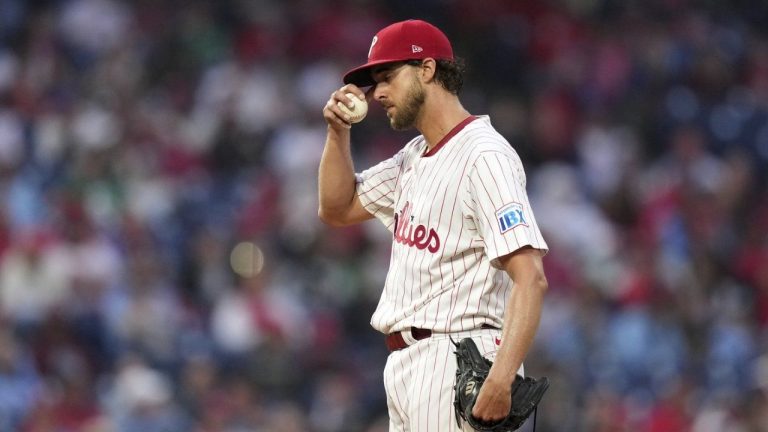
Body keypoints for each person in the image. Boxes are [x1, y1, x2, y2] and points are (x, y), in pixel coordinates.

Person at [318, 19, 549, 431]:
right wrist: (338, 133)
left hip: (459, 357)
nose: (379, 93)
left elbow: (530, 277)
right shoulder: (414, 156)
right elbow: (338, 207)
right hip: (409, 365)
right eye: (374, 82)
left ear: (427, 70)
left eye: (387, 76)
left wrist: (501, 376)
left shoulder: (484, 155)